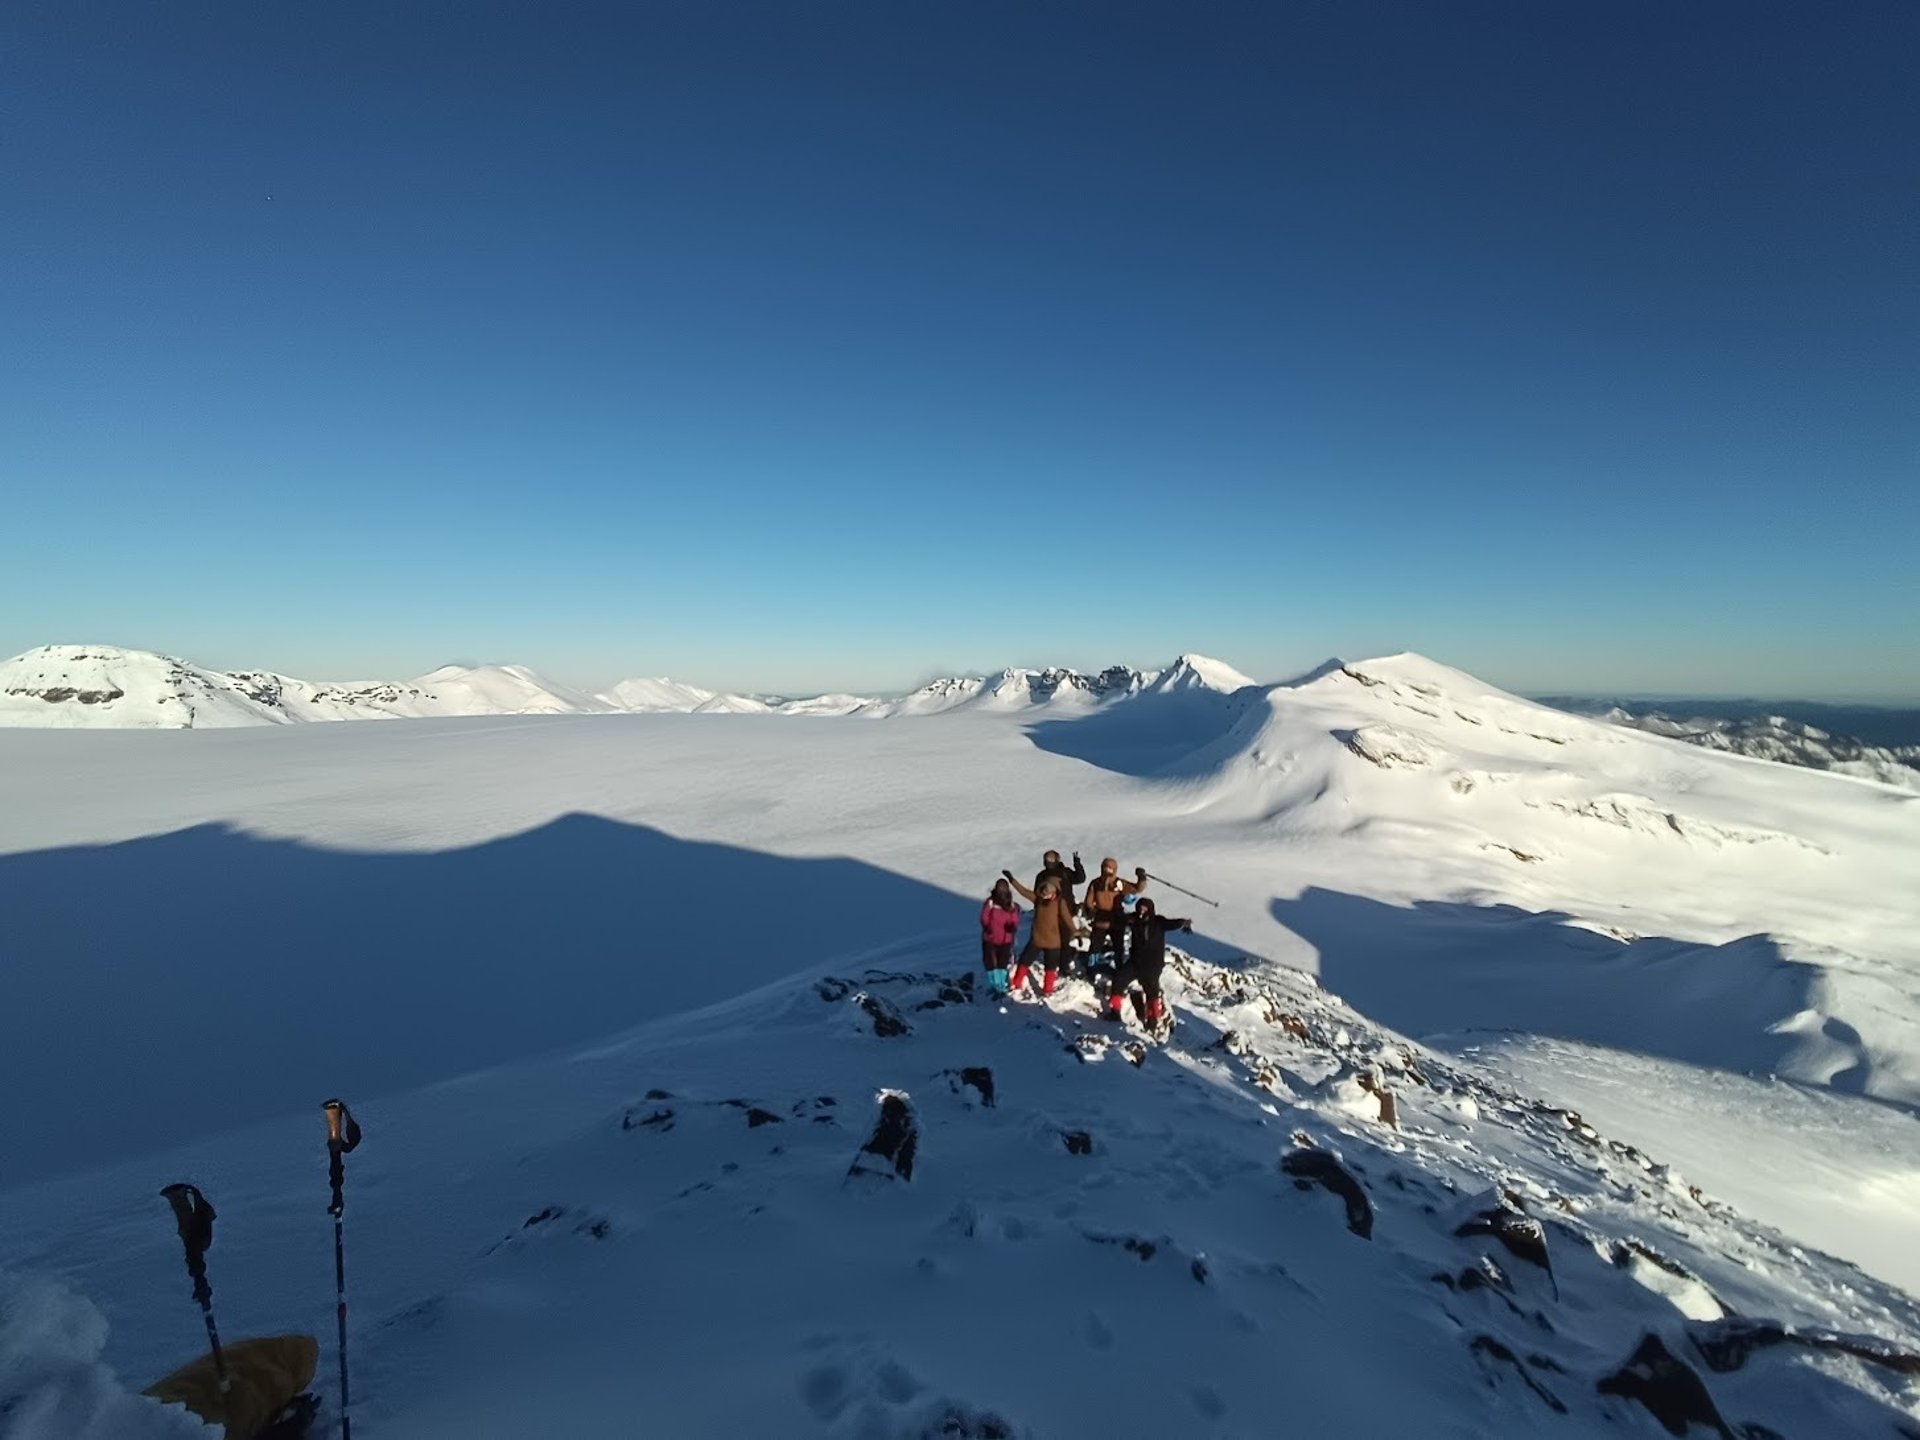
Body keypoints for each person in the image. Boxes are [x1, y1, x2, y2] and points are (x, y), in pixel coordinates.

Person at [1103, 896, 1191, 1028]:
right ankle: (1115, 1012)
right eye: (1140, 907)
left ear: (1151, 909)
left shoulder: (1158, 922)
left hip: (1152, 964)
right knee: (1119, 980)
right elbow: (1121, 919)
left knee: (1152, 991)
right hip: (1135, 962)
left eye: (1145, 908)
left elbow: (1172, 923)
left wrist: (1183, 922)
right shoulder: (1134, 920)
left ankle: (1153, 1020)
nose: (1142, 910)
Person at [1003, 871, 1077, 997]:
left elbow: (1066, 918)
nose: (1045, 897)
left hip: (1053, 941)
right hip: (1037, 938)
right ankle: (1016, 983)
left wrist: (1075, 932)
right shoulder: (1038, 898)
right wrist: (1012, 879)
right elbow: (1023, 892)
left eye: (1047, 895)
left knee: (1051, 967)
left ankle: (1047, 990)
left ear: (1054, 893)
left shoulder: (1060, 903)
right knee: (1024, 961)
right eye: (1043, 894)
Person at [1083, 858, 1147, 972]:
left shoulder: (1119, 883)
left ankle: (1117, 968)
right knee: (1096, 945)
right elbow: (1088, 901)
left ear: (1115, 869)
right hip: (1103, 919)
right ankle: (1093, 967)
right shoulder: (1096, 883)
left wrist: (1141, 878)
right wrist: (1092, 911)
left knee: (1117, 946)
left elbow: (1138, 888)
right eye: (1105, 867)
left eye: (1110, 868)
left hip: (1114, 919)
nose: (1107, 870)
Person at [979, 877, 1021, 996]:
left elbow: (1015, 919)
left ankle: (1001, 986)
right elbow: (984, 917)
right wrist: (987, 927)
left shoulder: (1011, 905)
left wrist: (1012, 927)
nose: (1001, 891)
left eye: (1003, 888)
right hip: (990, 938)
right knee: (990, 963)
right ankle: (995, 985)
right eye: (999, 888)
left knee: (1002, 963)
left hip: (1005, 939)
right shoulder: (990, 902)